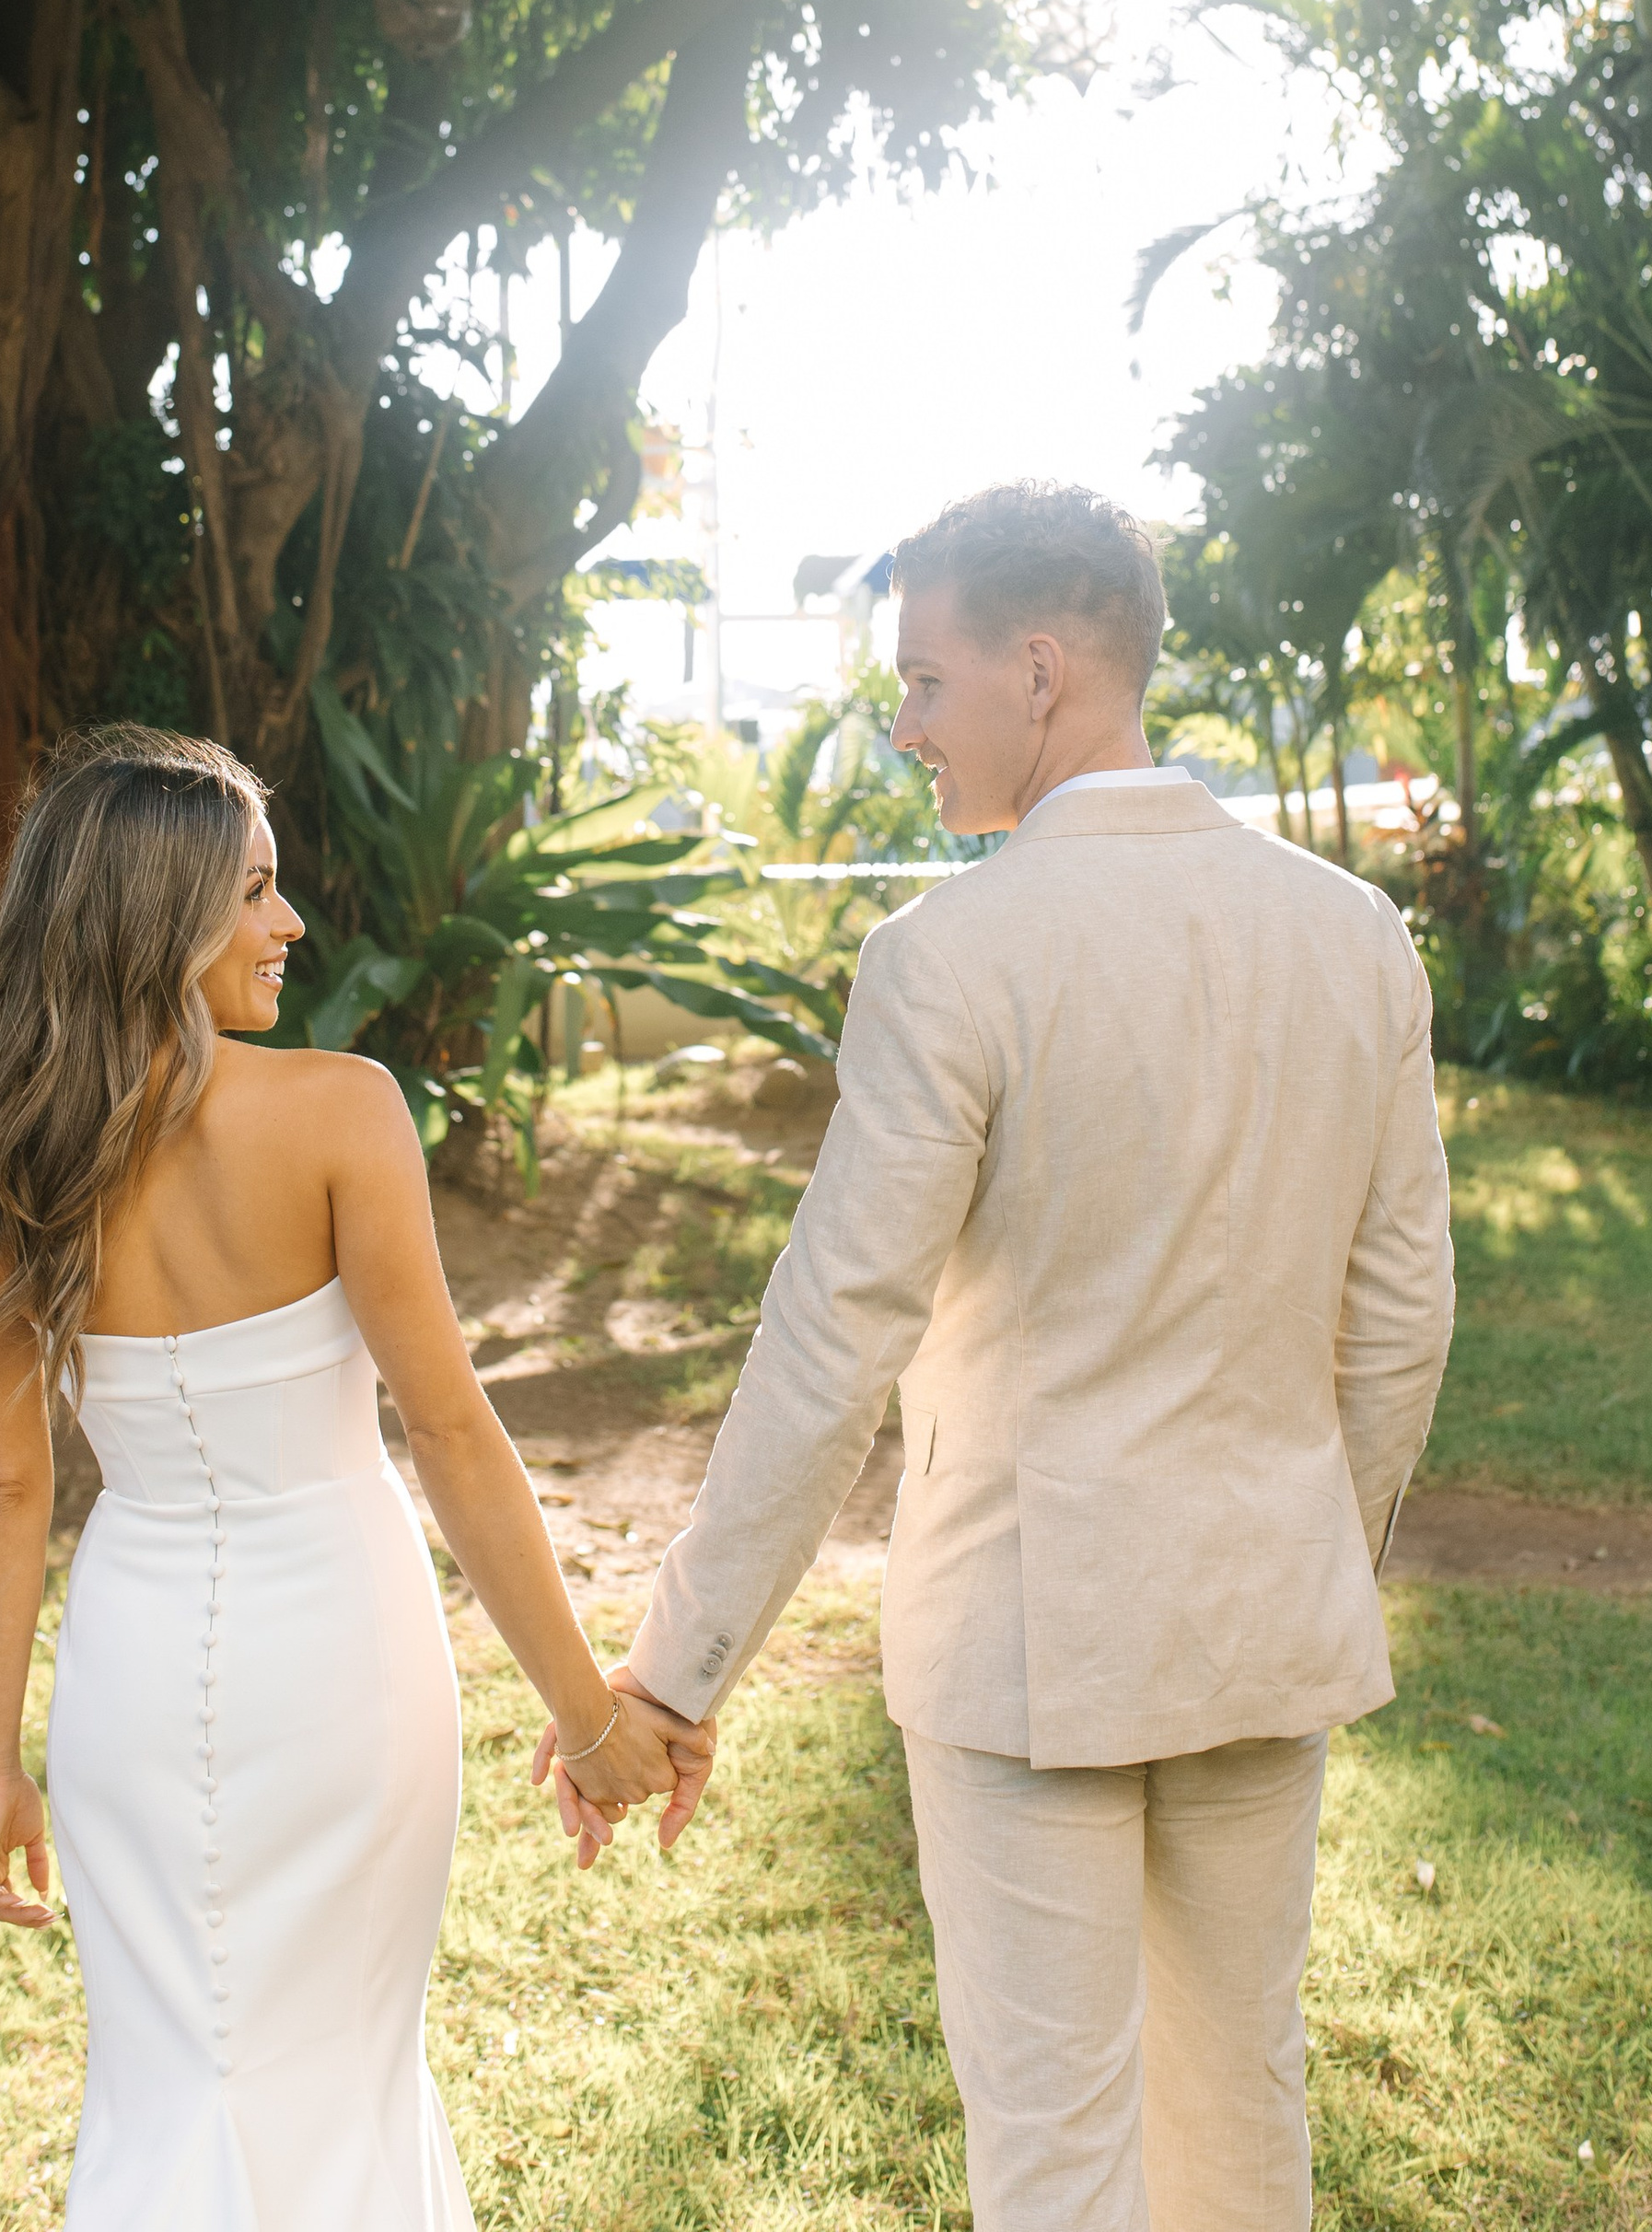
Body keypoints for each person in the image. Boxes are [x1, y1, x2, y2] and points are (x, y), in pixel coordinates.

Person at [570, 482, 1454, 2232]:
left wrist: (676, 1671)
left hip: (1026, 1641)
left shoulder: (947, 958)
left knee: (1056, 2152)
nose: (901, 725)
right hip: (1265, 1620)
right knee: (1241, 2108)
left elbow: (837, 1331)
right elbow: (1404, 1309)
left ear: (1039, 671)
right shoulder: (1353, 935)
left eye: (920, 679)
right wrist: (1310, 1543)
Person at [0, 727, 712, 2231]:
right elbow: (454, 1435)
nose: (289, 926)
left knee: (167, 2085)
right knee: (340, 2077)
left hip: (132, 1681)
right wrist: (590, 1717)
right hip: (344, 1661)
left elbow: (5, 1486)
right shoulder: (342, 1110)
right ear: (159, 917)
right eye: (256, 892)